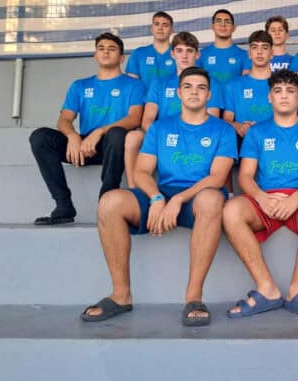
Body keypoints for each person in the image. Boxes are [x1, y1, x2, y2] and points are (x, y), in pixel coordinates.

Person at [81, 67, 236, 326]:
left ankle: (194, 297)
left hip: (199, 197)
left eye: (201, 88)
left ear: (209, 95)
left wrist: (178, 200)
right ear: (178, 93)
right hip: (163, 194)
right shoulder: (160, 128)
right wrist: (156, 197)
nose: (194, 92)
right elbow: (142, 172)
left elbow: (217, 178)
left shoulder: (223, 130)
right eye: (188, 87)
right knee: (110, 202)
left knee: (211, 199)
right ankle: (121, 295)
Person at [223, 69, 298, 320]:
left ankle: (296, 292)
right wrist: (262, 198)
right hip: (265, 200)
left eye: (290, 91)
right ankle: (267, 289)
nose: (284, 96)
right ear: (269, 97)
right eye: (278, 91)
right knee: (231, 211)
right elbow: (245, 176)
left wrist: (296, 199)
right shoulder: (257, 132)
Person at [29, 33, 145, 225]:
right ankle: (63, 206)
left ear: (121, 58)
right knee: (40, 137)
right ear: (95, 55)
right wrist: (72, 136)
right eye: (101, 48)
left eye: (112, 49)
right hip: (83, 148)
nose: (106, 52)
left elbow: (134, 118)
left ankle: (106, 201)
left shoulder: (134, 85)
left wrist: (99, 132)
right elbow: (64, 119)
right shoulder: (80, 85)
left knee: (117, 134)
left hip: (112, 148)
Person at [123, 31, 221, 188]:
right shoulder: (159, 82)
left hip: (196, 135)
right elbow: (147, 120)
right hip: (163, 135)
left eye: (189, 51)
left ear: (197, 55)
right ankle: (134, 189)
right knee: (133, 137)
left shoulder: (211, 83)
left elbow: (212, 119)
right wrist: (166, 136)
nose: (184, 55)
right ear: (172, 54)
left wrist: (184, 136)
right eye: (179, 50)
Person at [222, 30, 275, 141]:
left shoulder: (282, 84)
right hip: (243, 143)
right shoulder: (233, 85)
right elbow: (226, 120)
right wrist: (238, 126)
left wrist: (261, 128)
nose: (259, 52)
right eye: (254, 47)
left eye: (264, 47)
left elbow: (291, 118)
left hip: (276, 141)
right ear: (249, 54)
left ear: (272, 53)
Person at [125, 11, 176, 90]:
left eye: (165, 25)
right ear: (151, 29)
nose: (160, 28)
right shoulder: (138, 53)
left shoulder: (180, 53)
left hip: (172, 98)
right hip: (144, 98)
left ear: (172, 30)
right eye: (156, 24)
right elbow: (132, 86)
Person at [200, 8, 252, 84]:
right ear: (212, 27)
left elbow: (246, 84)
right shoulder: (201, 55)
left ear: (234, 28)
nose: (223, 25)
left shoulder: (245, 55)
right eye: (219, 21)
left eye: (227, 22)